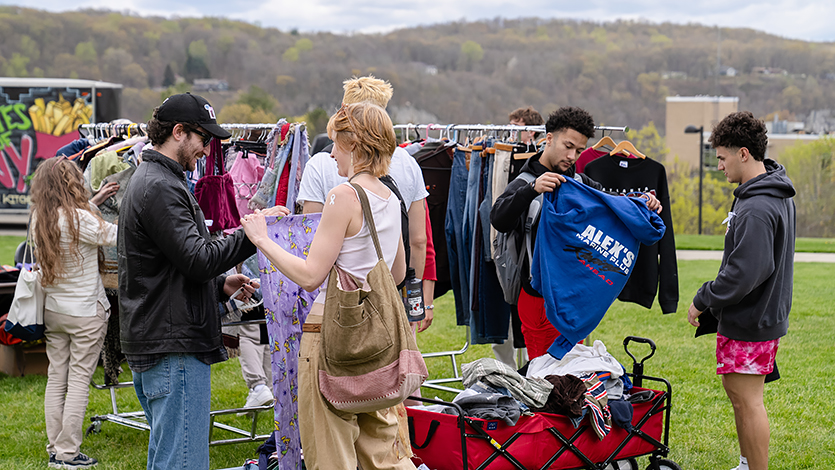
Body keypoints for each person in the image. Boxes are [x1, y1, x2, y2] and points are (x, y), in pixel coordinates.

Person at [240, 101, 413, 470]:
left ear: (354, 142)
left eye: (336, 142)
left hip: (330, 335)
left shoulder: (343, 196)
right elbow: (396, 274)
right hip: (377, 340)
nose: (331, 153)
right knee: (383, 454)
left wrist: (262, 240)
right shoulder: (390, 197)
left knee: (331, 453)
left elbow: (309, 275)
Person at [118, 93, 267, 470]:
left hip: (164, 340)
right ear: (179, 132)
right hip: (174, 349)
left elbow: (171, 265)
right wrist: (252, 234)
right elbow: (199, 259)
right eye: (204, 138)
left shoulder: (156, 180)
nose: (207, 149)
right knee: (183, 463)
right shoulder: (161, 187)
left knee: (168, 459)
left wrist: (220, 287)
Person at [491, 107, 661, 360]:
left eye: (579, 150)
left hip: (575, 299)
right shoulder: (525, 180)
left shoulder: (581, 184)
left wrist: (642, 202)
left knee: (572, 373)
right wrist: (532, 190)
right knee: (543, 375)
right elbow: (498, 219)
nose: (572, 156)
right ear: (549, 138)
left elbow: (612, 204)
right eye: (568, 146)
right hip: (538, 298)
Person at [687, 111, 796, 470]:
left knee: (748, 401)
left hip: (752, 318)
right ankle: (747, 463)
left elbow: (744, 272)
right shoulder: (769, 192)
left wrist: (702, 299)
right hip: (757, 315)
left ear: (744, 153)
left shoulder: (757, 207)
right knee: (740, 398)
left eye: (722, 157)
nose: (719, 165)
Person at [297, 75, 432, 332]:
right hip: (389, 294)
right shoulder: (408, 164)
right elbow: (417, 240)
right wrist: (412, 298)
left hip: (336, 301)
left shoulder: (321, 164)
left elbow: (310, 236)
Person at [30, 156, 118, 469]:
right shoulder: (80, 219)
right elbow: (114, 236)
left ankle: (56, 449)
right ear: (71, 183)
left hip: (54, 310)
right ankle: (68, 454)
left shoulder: (40, 218)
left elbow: (77, 224)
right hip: (85, 313)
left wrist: (93, 203)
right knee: (79, 380)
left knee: (56, 379)